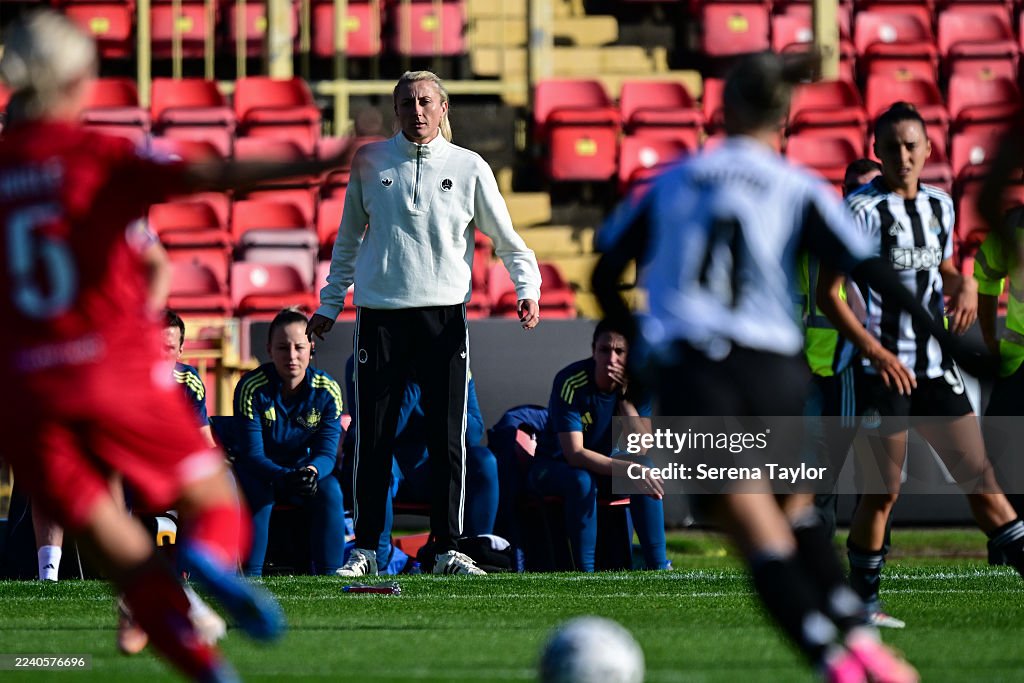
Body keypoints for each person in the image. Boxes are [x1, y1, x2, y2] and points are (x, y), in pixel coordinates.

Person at [0, 10, 356, 680]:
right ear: (78, 80)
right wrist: (322, 158)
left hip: (25, 398)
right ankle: (212, 560)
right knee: (217, 504)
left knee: (131, 569)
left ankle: (207, 667)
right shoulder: (95, 156)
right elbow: (213, 173)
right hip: (110, 369)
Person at [593, 51, 928, 683]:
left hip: (700, 369)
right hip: (777, 367)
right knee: (794, 512)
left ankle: (839, 659)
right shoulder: (796, 184)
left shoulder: (674, 179)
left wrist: (643, 345)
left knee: (751, 527)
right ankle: (864, 641)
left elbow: (605, 271)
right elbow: (867, 266)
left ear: (722, 108)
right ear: (784, 117)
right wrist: (944, 335)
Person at [307, 70, 542, 577]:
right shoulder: (369, 161)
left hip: (444, 320)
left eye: (426, 101)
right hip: (380, 320)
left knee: (448, 438)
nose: (417, 110)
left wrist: (527, 288)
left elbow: (506, 238)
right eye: (408, 102)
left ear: (443, 107)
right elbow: (346, 243)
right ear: (396, 110)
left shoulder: (470, 166)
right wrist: (329, 305)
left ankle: (447, 550)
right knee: (373, 438)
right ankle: (367, 549)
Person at [819, 102, 1024, 629]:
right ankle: (862, 606)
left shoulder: (940, 206)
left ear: (929, 150)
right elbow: (829, 294)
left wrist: (969, 286)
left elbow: (950, 270)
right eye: (892, 147)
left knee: (980, 479)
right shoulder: (859, 212)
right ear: (877, 153)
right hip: (882, 374)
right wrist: (874, 350)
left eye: (912, 145)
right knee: (882, 491)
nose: (903, 155)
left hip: (935, 369)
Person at [528, 319, 669, 572]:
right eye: (604, 350)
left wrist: (625, 400)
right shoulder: (571, 381)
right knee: (582, 480)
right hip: (554, 468)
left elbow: (641, 448)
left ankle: (659, 566)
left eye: (619, 352)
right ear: (593, 351)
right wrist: (627, 469)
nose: (611, 358)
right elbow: (575, 454)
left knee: (645, 465)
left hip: (602, 470)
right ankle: (587, 572)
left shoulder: (638, 384)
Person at [801, 159, 883, 538]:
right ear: (844, 193)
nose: (861, 195)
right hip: (821, 376)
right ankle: (823, 572)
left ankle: (868, 570)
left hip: (875, 375)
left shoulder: (899, 243)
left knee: (877, 484)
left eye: (871, 187)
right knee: (818, 481)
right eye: (854, 188)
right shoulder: (815, 246)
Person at [231, 308, 345, 576]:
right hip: (261, 474)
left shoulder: (327, 391)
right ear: (269, 350)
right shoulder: (251, 387)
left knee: (330, 492)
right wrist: (283, 476)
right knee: (259, 495)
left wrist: (310, 472)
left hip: (303, 473)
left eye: (299, 347)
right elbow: (252, 455)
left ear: (311, 349)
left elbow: (327, 454)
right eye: (283, 347)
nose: (291, 356)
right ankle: (251, 577)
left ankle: (331, 577)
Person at [163, 309, 216, 448]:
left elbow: (203, 435)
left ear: (180, 351)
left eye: (169, 348)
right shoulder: (128, 381)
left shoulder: (189, 381)